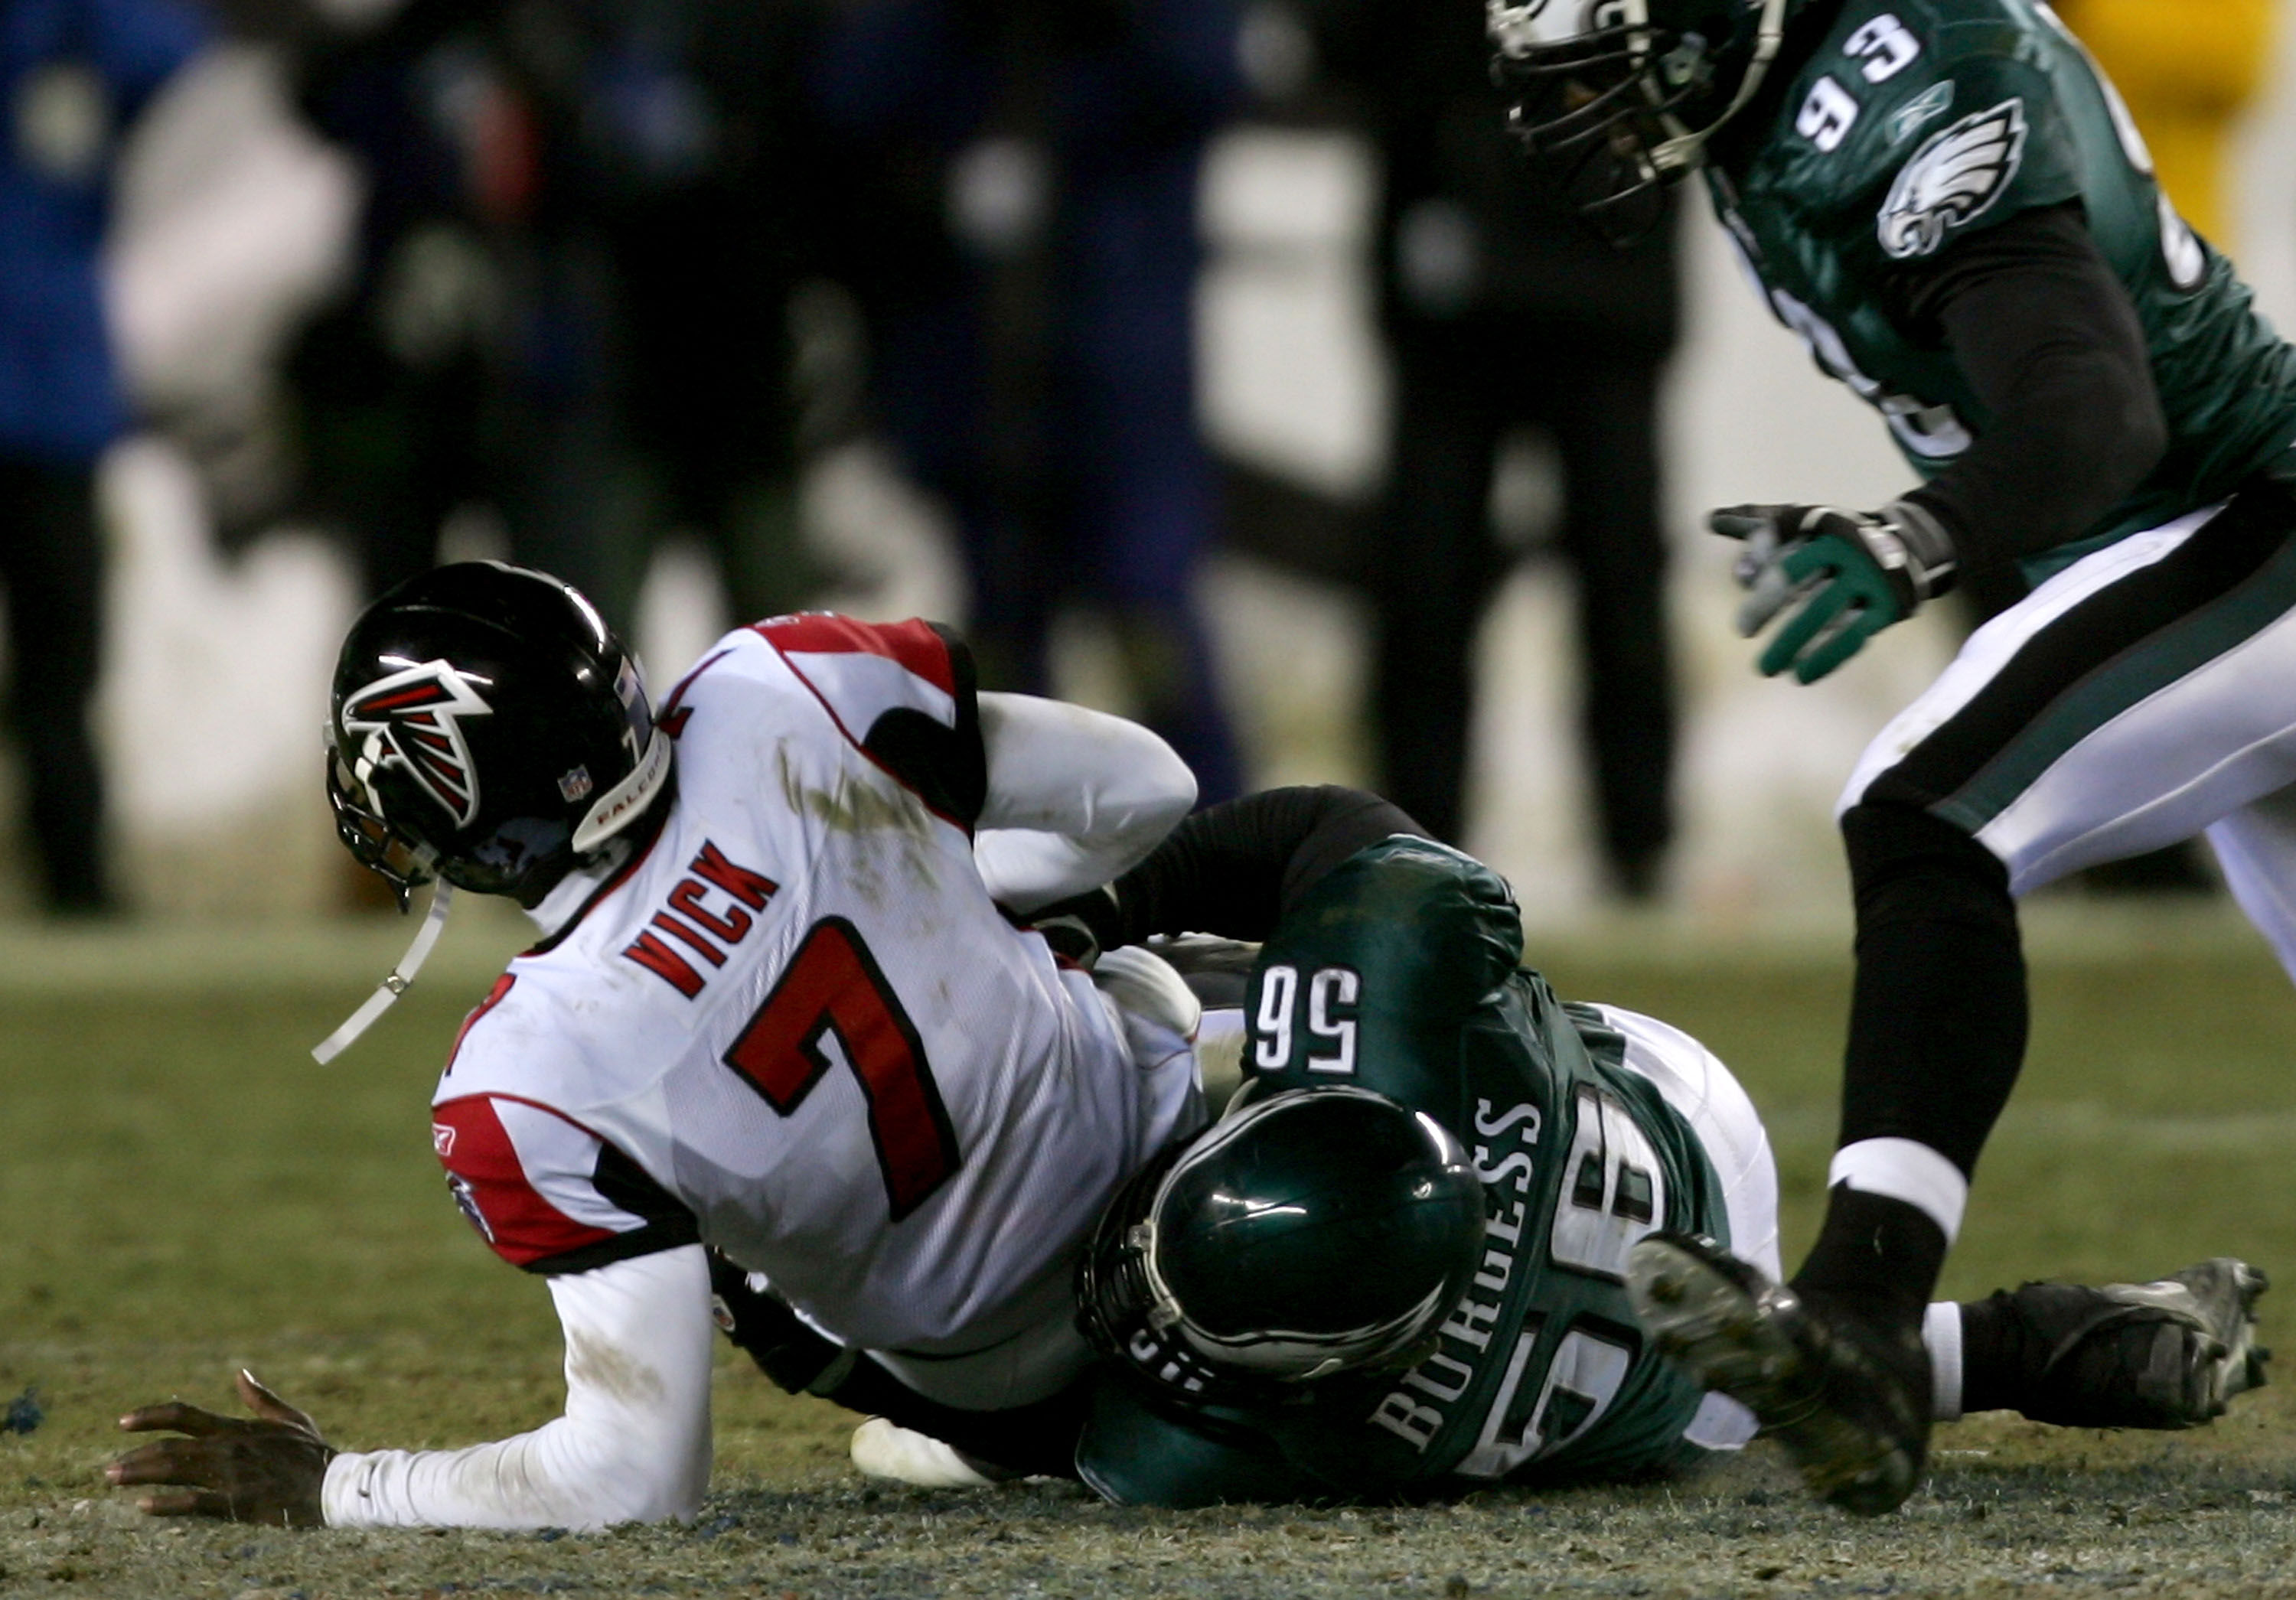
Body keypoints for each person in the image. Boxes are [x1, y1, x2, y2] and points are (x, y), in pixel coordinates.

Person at [1489, 0, 2296, 1517]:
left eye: (1608, 70)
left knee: (1929, 804)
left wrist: (1912, 534)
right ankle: (1975, 1341)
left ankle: (1862, 1315)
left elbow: (2094, 408)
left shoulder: (1904, 87)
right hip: (2194, 539)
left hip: (2249, 515)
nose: (1584, 114)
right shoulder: (1771, 99)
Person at [105, 560, 1208, 1529]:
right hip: (1165, 1132)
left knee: (694, 1219)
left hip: (1015, 1368)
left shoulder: (527, 1074)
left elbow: (631, 1475)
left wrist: (344, 1485)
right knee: (1153, 960)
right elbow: (1150, 789)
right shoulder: (783, 685)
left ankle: (994, 1435)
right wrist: (958, 903)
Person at [841, 785, 2265, 1503]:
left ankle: (2021, 1344)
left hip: (1660, 1361)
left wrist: (1090, 924)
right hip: (1667, 1166)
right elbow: (1345, 843)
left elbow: (988, 1422)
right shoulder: (1382, 1027)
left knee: (1168, 1008)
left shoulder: (1232, 1445)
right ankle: (1990, 1341)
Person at [1314, 0, 1683, 895]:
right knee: (1425, 584)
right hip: (1454, 289)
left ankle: (1637, 853)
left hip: (1603, 276)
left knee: (1618, 579)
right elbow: (1341, 46)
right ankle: (1409, 852)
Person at [0, 0, 207, 914]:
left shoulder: (78, 43)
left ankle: (76, 875)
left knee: (64, 669)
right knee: (62, 666)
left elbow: (169, 49)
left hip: (49, 393)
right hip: (52, 383)